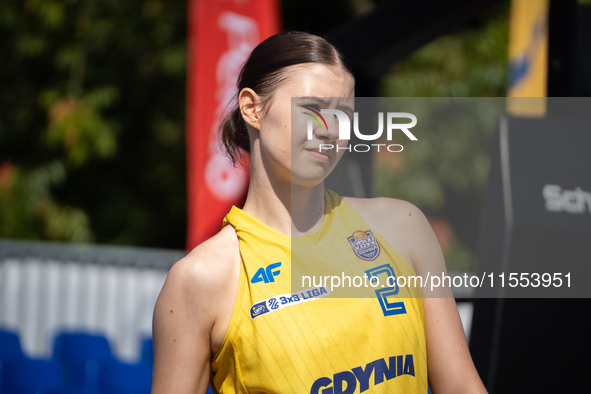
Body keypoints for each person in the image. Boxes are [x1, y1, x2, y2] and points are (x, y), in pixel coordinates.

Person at [151, 31, 487, 394]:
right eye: (311, 108)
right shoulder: (202, 279)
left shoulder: (402, 228)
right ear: (252, 108)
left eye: (342, 114)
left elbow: (460, 385)